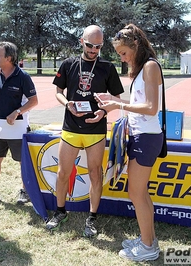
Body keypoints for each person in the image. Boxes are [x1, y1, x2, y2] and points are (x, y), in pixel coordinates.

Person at [45, 25, 124, 237]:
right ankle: (60, 211)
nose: (93, 50)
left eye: (98, 47)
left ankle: (92, 218)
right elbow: (58, 92)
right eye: (90, 45)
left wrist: (103, 112)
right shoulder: (69, 64)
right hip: (70, 128)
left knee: (95, 174)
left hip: (96, 130)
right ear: (82, 41)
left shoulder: (107, 67)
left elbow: (116, 98)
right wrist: (67, 104)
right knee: (63, 173)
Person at [97, 24, 163, 261]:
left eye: (124, 53)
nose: (123, 59)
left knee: (136, 193)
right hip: (140, 135)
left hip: (147, 137)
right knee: (140, 193)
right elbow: (140, 104)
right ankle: (149, 240)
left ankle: (148, 247)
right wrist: (113, 99)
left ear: (135, 47)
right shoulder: (143, 69)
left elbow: (151, 108)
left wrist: (118, 105)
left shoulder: (151, 66)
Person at [0, 41, 38, 206]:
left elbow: (34, 101)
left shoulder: (23, 77)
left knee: (22, 161)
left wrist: (17, 112)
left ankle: (24, 190)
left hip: (18, 127)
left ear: (9, 58)